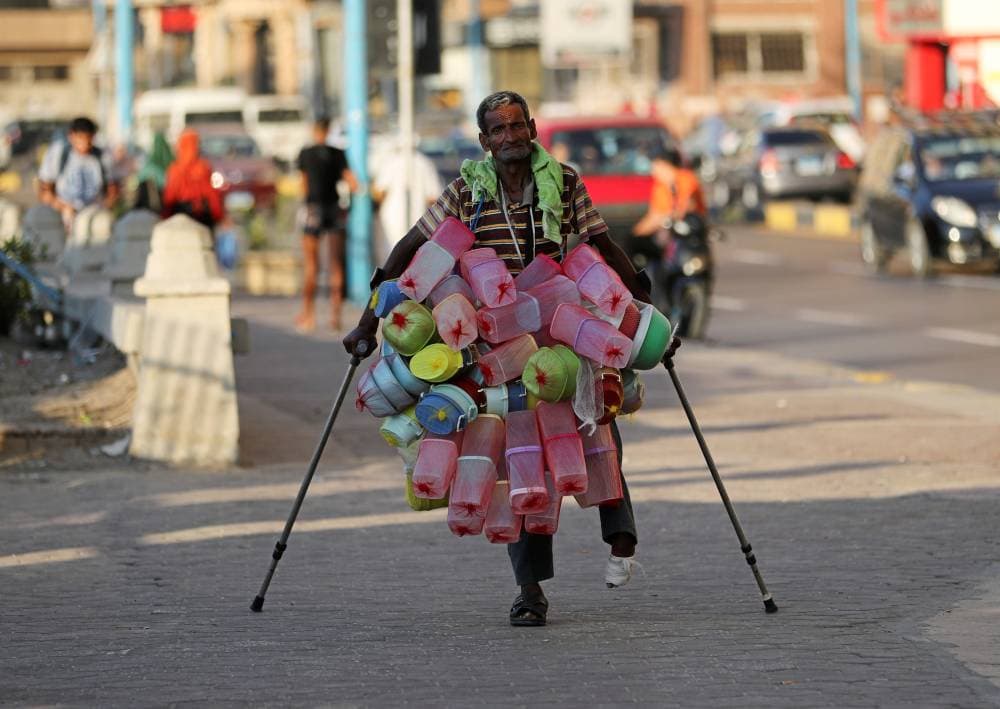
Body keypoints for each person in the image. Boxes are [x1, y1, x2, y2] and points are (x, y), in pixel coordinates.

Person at [343, 90, 651, 627]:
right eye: (497, 131)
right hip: (497, 337)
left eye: (517, 126)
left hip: (560, 324)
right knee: (522, 456)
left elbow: (600, 245)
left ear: (531, 127)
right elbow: (411, 250)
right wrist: (368, 323)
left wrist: (641, 299)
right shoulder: (467, 192)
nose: (509, 137)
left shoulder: (565, 182)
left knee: (597, 420)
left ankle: (620, 534)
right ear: (484, 140)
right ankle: (530, 590)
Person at [295, 117, 359, 332]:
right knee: (335, 265)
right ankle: (335, 317)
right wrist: (348, 205)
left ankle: (308, 315)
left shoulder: (305, 153)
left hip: (313, 209)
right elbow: (353, 183)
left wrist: (306, 204)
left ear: (314, 130)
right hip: (334, 209)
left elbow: (303, 185)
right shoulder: (338, 153)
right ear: (329, 130)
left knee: (312, 265)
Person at [37, 116, 120, 231]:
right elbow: (44, 191)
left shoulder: (103, 157)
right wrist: (63, 207)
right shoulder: (58, 153)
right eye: (80, 138)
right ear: (71, 136)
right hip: (62, 219)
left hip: (93, 219)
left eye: (88, 139)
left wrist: (102, 209)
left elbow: (113, 191)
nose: (84, 144)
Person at [370, 137, 443, 264]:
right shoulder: (424, 163)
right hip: (419, 221)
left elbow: (379, 192)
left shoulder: (391, 162)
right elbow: (434, 198)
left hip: (391, 221)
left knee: (390, 261)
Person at [631, 146, 707, 239]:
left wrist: (664, 217)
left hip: (693, 230)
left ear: (664, 164)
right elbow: (653, 216)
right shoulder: (660, 188)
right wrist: (635, 235)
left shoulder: (686, 178)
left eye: (655, 166)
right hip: (673, 234)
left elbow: (688, 206)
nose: (653, 172)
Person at [162, 129, 224, 230]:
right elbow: (212, 194)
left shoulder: (175, 169)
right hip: (202, 217)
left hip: (179, 217)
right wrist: (218, 215)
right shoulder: (204, 167)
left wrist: (165, 216)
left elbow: (170, 196)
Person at [134, 132, 174, 213]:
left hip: (153, 207)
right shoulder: (173, 163)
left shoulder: (149, 166)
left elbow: (140, 180)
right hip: (170, 205)